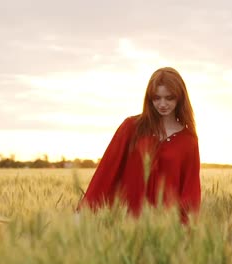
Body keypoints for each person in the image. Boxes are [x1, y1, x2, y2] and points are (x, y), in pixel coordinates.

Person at [76, 67, 201, 224]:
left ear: (180, 98)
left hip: (166, 227)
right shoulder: (131, 127)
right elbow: (107, 170)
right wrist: (85, 210)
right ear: (149, 98)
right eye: (157, 98)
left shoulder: (188, 140)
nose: (162, 104)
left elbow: (191, 188)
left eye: (169, 98)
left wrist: (186, 228)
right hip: (128, 224)